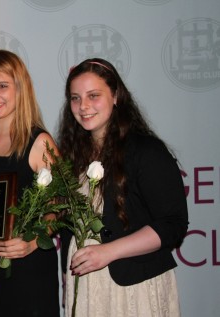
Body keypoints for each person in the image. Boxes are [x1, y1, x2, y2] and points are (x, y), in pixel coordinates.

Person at [58, 58, 188, 316]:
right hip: (86, 286)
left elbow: (173, 225)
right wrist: (66, 275)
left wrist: (108, 252)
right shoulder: (72, 157)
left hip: (134, 288)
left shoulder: (147, 151)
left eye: (93, 95)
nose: (83, 106)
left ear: (116, 96)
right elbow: (68, 229)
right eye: (75, 98)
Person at [0, 49, 60, 317]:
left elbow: (60, 207)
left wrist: (32, 240)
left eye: (2, 86)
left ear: (20, 89)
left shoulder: (39, 142)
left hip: (26, 272)